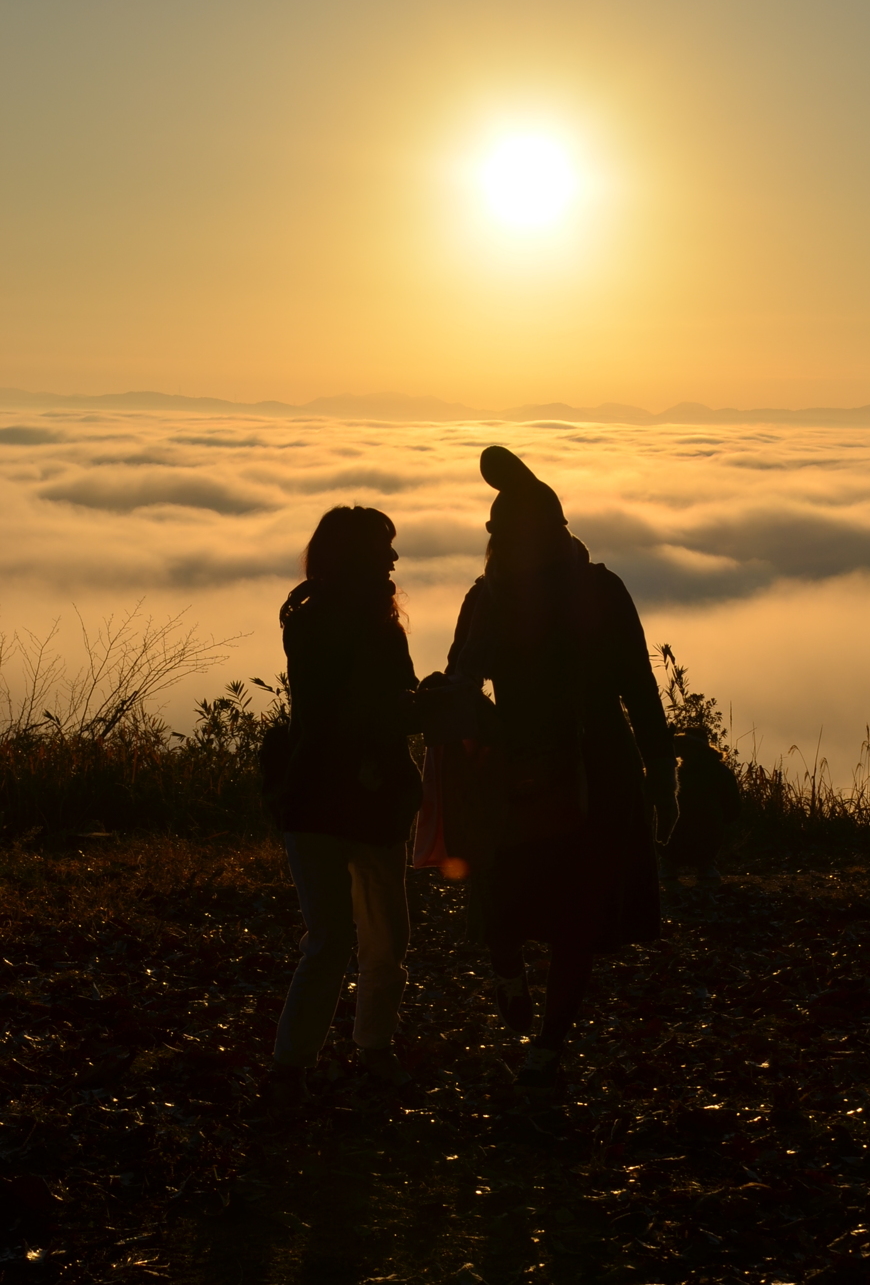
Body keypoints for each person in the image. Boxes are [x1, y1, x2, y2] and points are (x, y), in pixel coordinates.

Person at [436, 446, 678, 1088]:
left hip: (519, 762)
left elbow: (461, 680)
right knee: (578, 913)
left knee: (510, 887)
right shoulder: (600, 589)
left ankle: (513, 981)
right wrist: (662, 774)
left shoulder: (488, 597)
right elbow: (639, 686)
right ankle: (546, 1042)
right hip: (599, 764)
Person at [268, 506, 422, 1106]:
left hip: (323, 797)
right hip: (354, 796)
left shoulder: (314, 621)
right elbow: (360, 711)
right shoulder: (341, 626)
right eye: (383, 549)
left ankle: (300, 1065)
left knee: (342, 938)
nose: (392, 560)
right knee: (365, 938)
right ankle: (348, 1054)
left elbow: (363, 706)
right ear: (357, 558)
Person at [662, 725, 742, 889]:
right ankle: (706, 866)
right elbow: (733, 810)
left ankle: (668, 865)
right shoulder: (722, 772)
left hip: (673, 844)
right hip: (708, 842)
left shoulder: (672, 772)